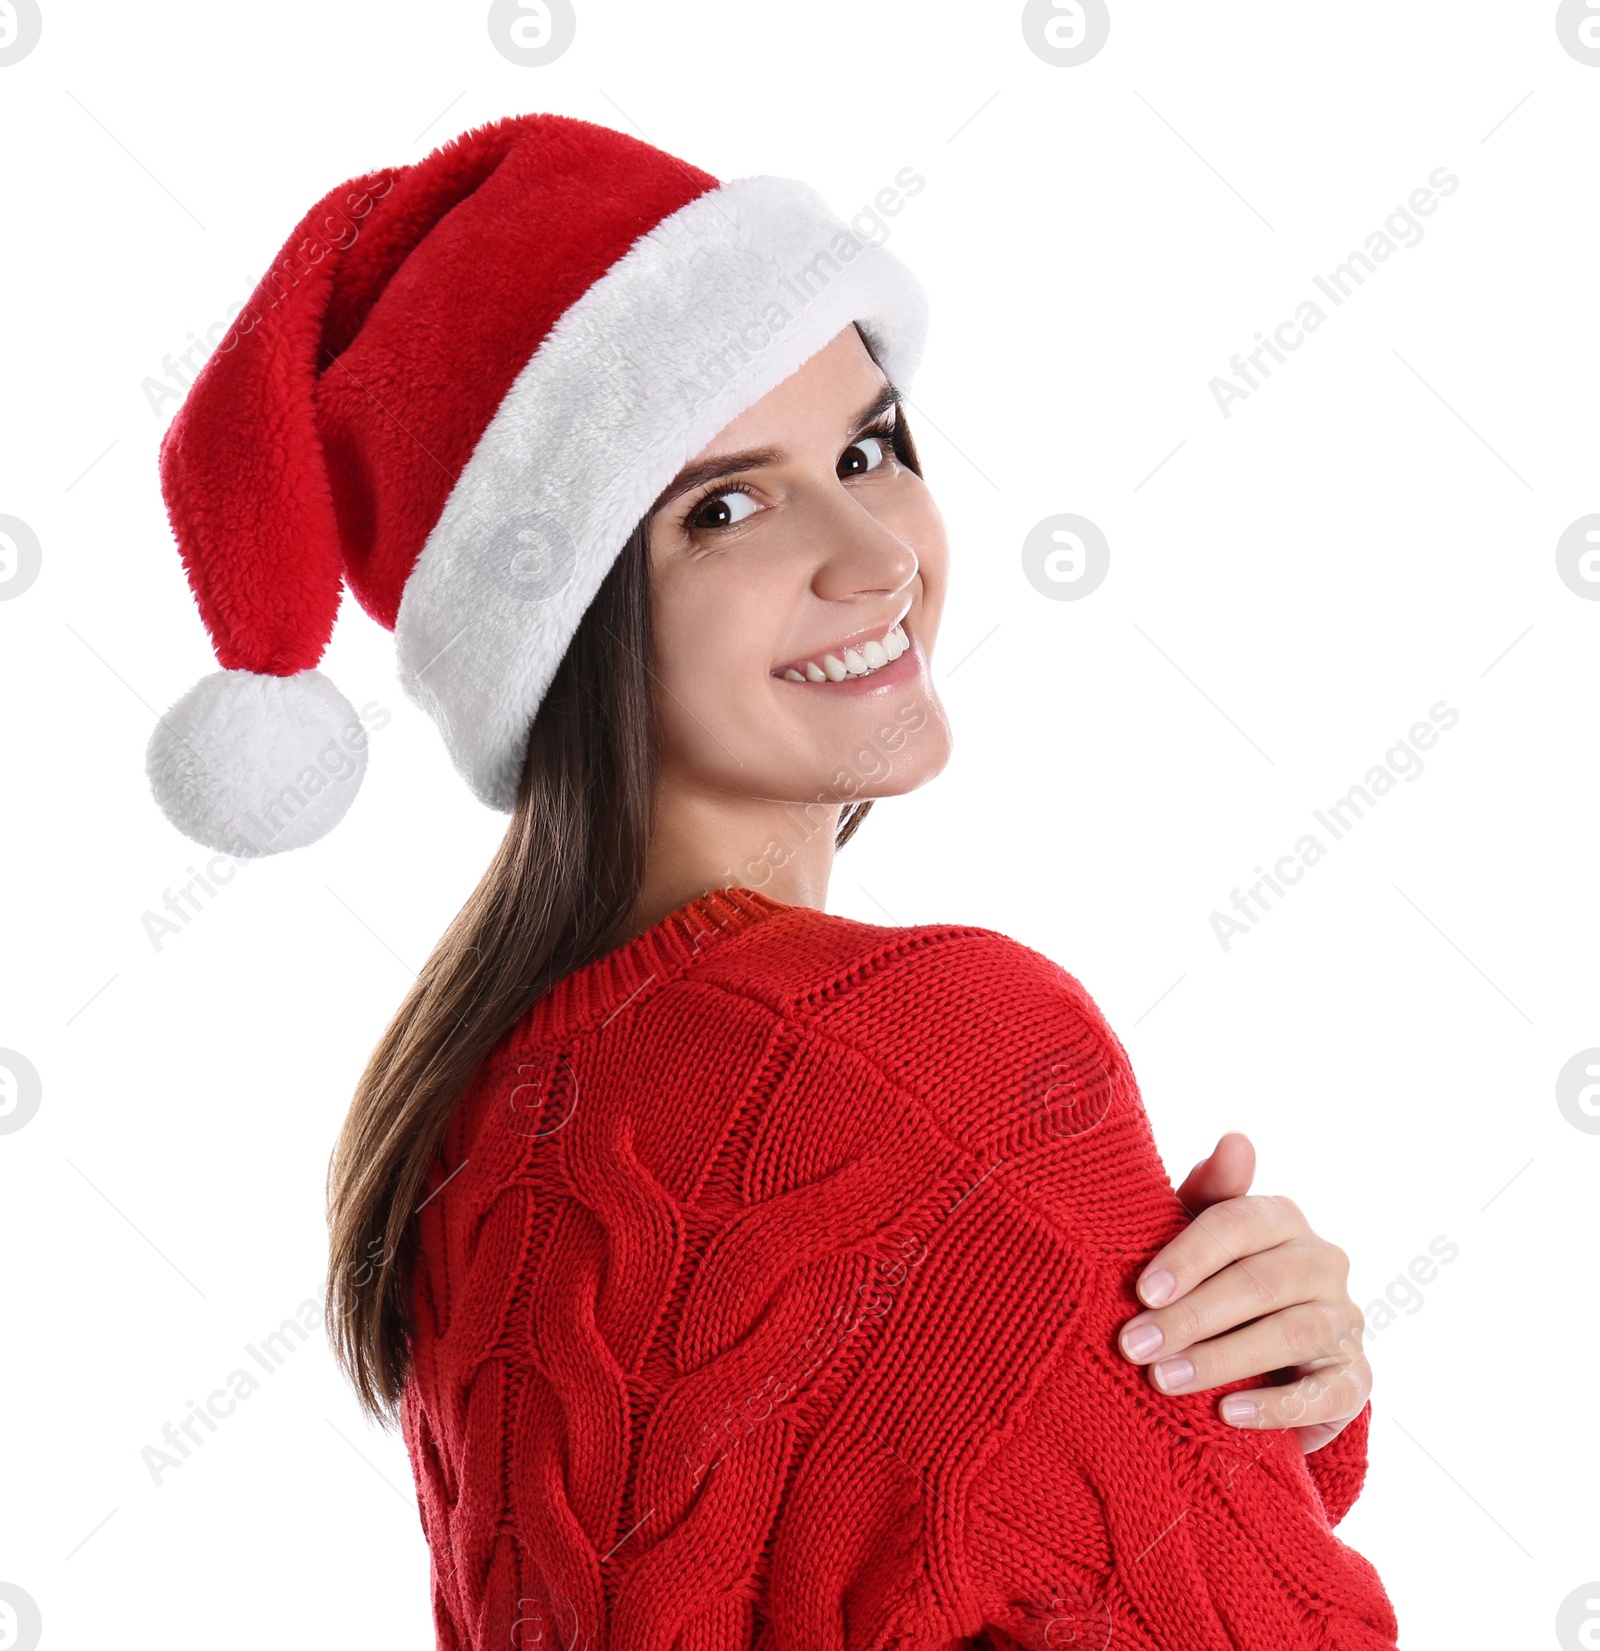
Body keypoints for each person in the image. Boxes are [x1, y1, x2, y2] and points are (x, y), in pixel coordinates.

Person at [144, 113, 1396, 1648]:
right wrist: (1243, 1466)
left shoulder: (474, 1123)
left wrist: (1252, 1415)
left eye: (869, 448)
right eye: (724, 506)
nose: (874, 551)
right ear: (560, 627)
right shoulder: (932, 1053)